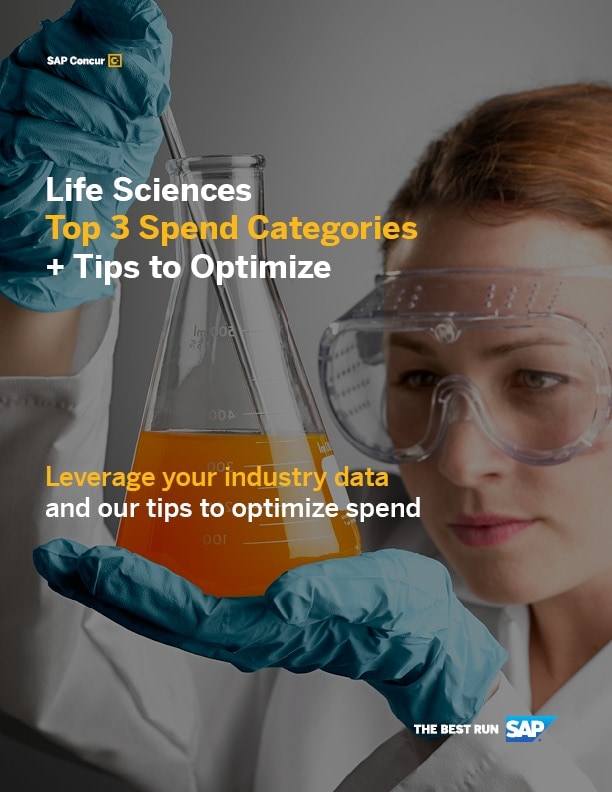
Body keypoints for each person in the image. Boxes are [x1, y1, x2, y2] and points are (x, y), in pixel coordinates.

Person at [1, 1, 610, 790]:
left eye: (537, 377)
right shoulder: (334, 597)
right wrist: (38, 303)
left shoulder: (402, 635)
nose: (459, 460)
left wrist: (479, 725)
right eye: (419, 376)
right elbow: (53, 654)